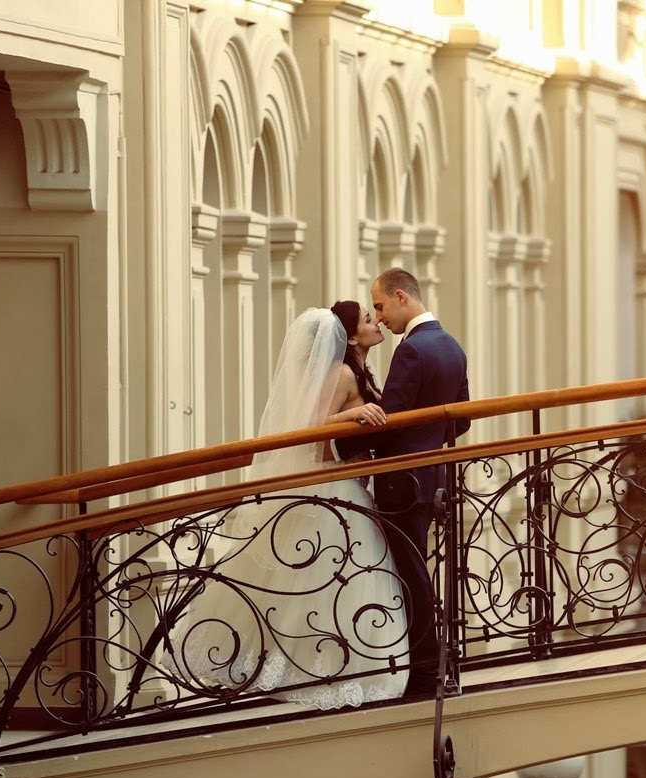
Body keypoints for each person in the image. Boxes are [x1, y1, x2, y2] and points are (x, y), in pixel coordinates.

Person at [162, 304, 409, 708]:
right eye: (368, 318)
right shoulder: (343, 373)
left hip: (350, 486)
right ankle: (311, 668)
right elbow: (310, 430)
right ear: (348, 337)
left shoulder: (357, 370)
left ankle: (337, 665)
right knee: (328, 580)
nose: (376, 322)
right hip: (335, 489)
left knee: (337, 583)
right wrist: (354, 416)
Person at [339, 267, 471, 697]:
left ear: (400, 297)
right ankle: (436, 665)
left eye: (379, 306)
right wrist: (428, 442)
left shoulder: (412, 350)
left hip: (402, 482)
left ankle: (426, 671)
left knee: (411, 576)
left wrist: (355, 441)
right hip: (432, 477)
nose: (380, 319)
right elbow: (463, 417)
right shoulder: (451, 344)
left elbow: (389, 422)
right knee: (418, 571)